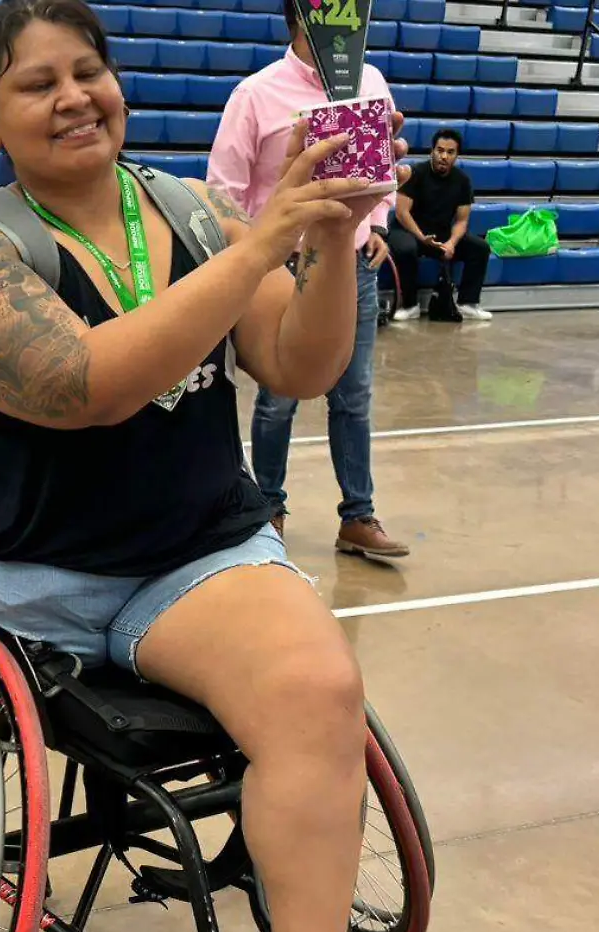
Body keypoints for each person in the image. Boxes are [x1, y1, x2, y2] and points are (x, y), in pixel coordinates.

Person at [0, 2, 401, 932]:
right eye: (36, 84)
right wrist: (262, 238)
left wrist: (327, 234)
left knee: (321, 693)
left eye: (87, 72)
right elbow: (89, 385)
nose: (73, 97)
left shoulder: (187, 214)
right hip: (44, 571)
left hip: (193, 555)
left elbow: (297, 366)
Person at [207, 0, 409, 559]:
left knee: (355, 396)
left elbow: (382, 173)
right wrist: (260, 250)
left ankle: (358, 516)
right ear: (300, 19)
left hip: (352, 265)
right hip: (282, 266)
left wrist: (378, 223)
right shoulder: (256, 94)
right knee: (277, 400)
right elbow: (223, 188)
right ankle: (267, 508)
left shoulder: (370, 81)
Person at [389, 128, 491, 322]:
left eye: (450, 152)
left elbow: (461, 221)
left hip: (439, 234)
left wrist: (452, 243)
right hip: (408, 230)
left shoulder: (462, 181)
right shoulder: (415, 172)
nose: (444, 156)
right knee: (406, 249)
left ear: (456, 155)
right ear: (432, 151)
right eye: (440, 150)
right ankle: (410, 305)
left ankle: (468, 303)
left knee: (480, 248)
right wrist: (421, 237)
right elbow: (402, 213)